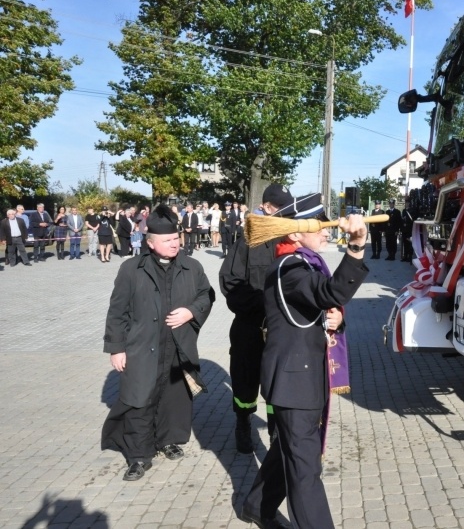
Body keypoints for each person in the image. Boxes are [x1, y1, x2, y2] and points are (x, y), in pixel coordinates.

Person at [242, 194, 369, 529]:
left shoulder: (305, 262)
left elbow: (319, 307)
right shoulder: (289, 268)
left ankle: (256, 505)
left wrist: (335, 320)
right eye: (320, 225)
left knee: (289, 447)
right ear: (296, 233)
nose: (327, 232)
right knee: (305, 468)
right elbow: (328, 293)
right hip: (293, 383)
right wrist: (355, 248)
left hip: (305, 376)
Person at [101, 204, 214, 482]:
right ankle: (139, 456)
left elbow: (207, 296)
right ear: (150, 243)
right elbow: (117, 311)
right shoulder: (131, 269)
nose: (174, 244)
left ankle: (167, 440)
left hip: (178, 346)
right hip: (141, 346)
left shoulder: (193, 266)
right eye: (167, 240)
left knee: (173, 397)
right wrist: (116, 348)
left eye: (176, 239)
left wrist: (191, 311)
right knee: (140, 400)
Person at [220, 184, 297, 454]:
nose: (284, 215)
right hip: (250, 326)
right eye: (279, 209)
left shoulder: (292, 240)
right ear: (265, 207)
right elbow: (230, 283)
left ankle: (277, 432)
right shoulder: (248, 241)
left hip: (281, 330)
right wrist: (264, 303)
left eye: (288, 210)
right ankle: (243, 423)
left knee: (278, 384)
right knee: (244, 382)